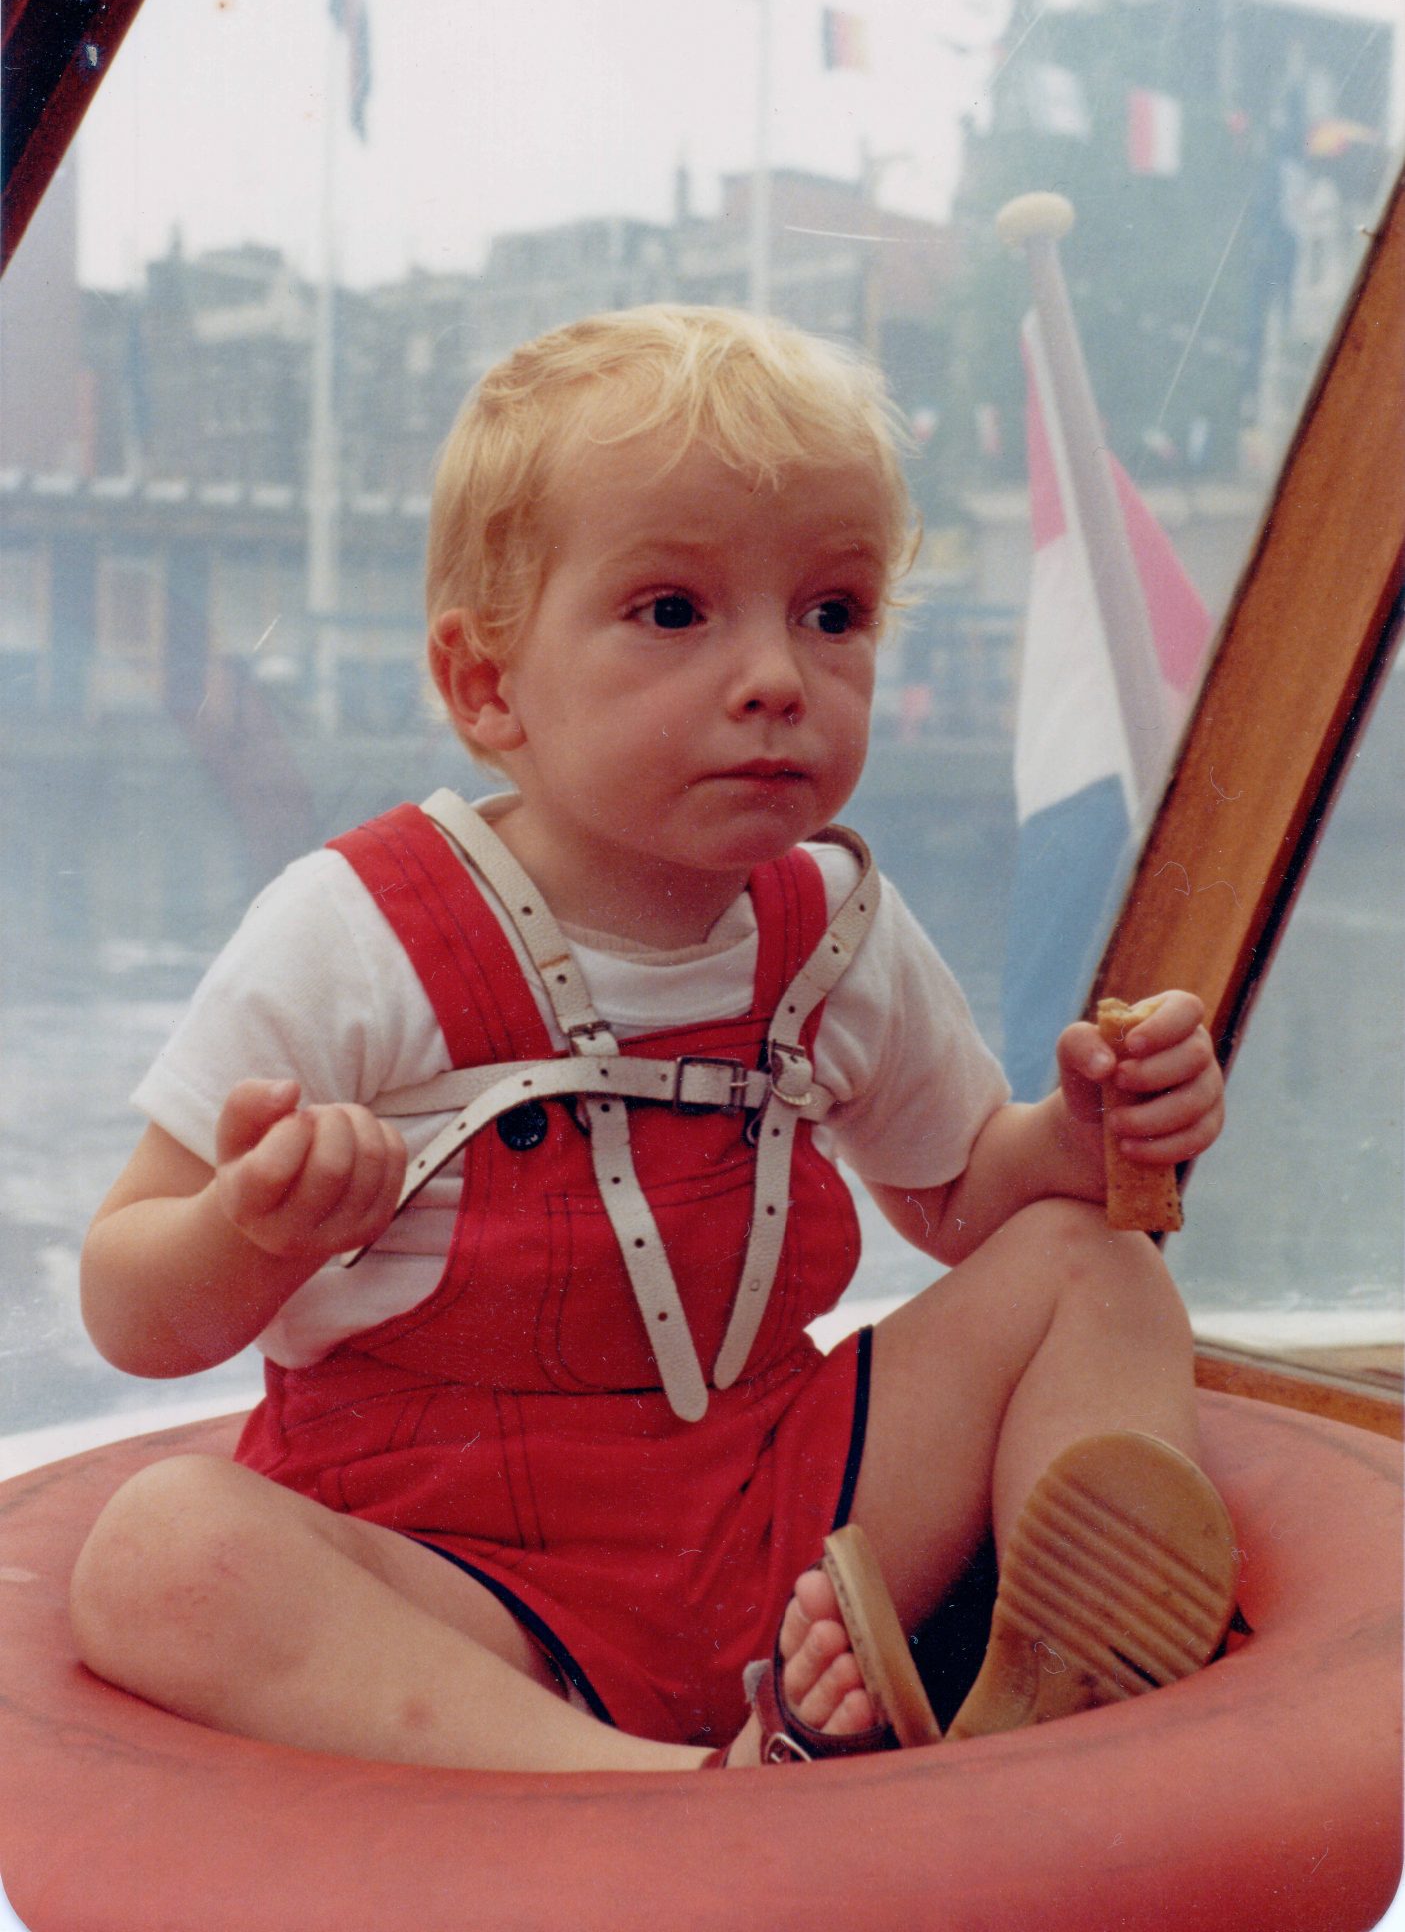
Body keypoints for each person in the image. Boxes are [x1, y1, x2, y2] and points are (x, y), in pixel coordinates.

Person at [70, 305, 1235, 1774]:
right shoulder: (351, 933)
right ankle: (673, 1790)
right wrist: (251, 1228)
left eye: (833, 614)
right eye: (674, 612)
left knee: (1092, 1263)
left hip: (775, 1501)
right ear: (488, 683)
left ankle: (1032, 1696)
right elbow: (126, 1305)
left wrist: (1079, 1138)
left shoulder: (835, 926)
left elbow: (955, 1202)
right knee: (161, 1553)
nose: (776, 677)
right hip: (456, 1567)